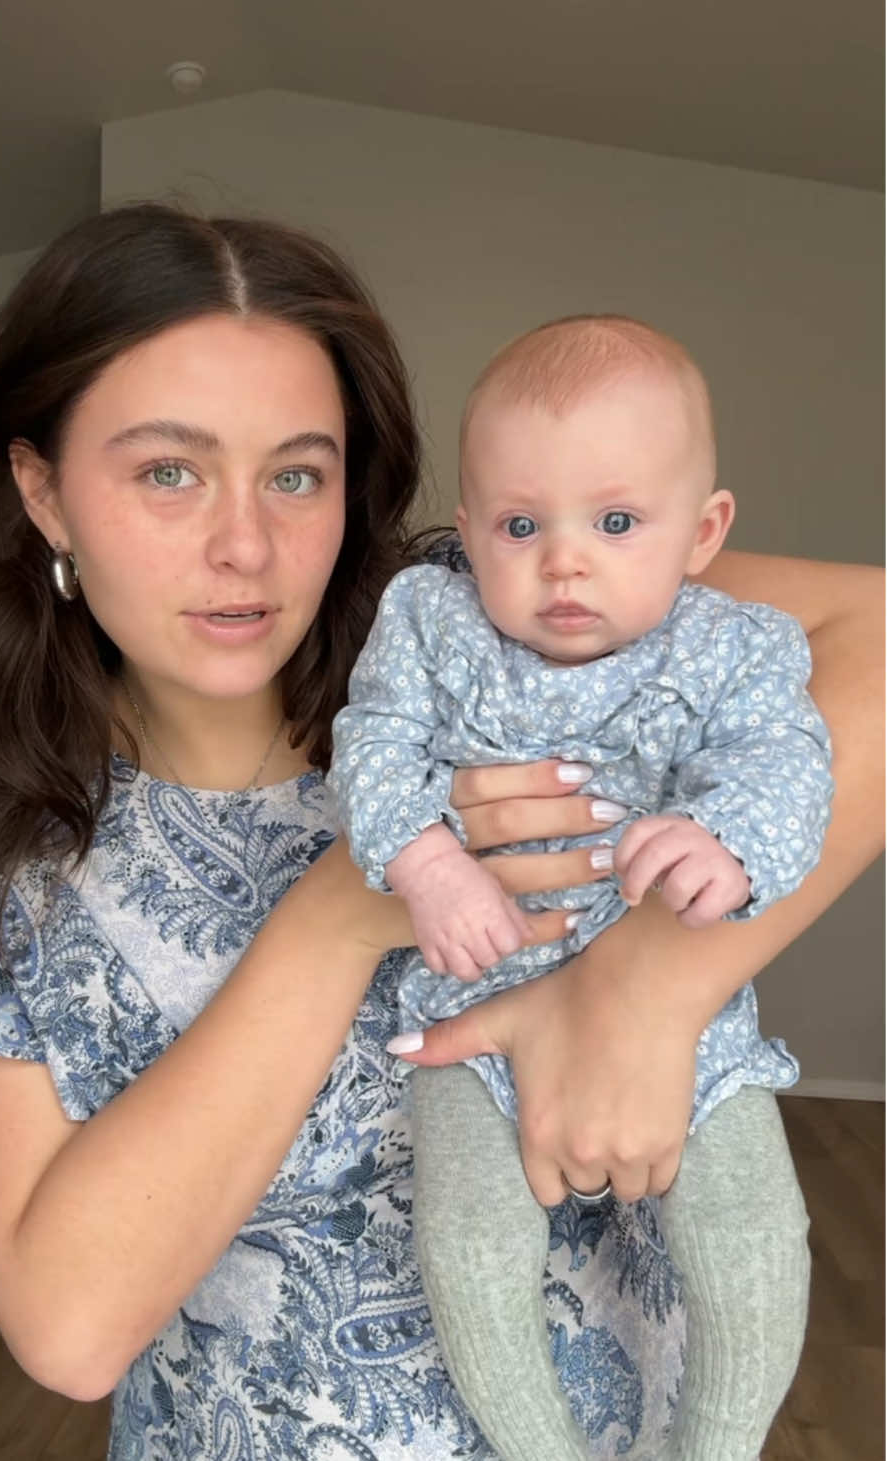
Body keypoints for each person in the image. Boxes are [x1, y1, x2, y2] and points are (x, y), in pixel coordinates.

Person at [0, 204, 881, 1461]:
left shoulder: (491, 629)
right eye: (169, 472)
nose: (246, 546)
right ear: (45, 493)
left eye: (297, 474)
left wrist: (641, 991)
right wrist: (340, 918)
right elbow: (70, 1327)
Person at [329, 314, 834, 1460]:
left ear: (703, 532)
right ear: (468, 533)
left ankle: (717, 1445)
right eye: (521, 525)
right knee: (467, 1250)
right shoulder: (430, 622)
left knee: (755, 1240)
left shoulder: (736, 647)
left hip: (684, 1010)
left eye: (615, 522)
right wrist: (428, 864)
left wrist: (727, 842)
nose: (564, 561)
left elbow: (788, 761)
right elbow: (374, 745)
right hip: (473, 996)